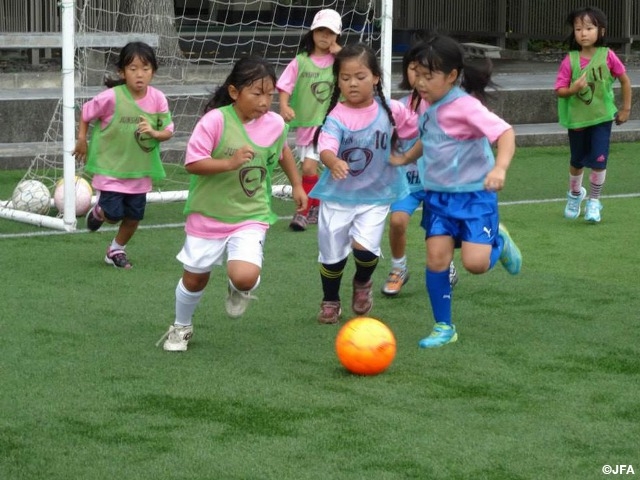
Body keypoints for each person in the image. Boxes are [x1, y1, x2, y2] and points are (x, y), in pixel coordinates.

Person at [157, 56, 307, 352]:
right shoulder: (215, 120)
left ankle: (239, 288)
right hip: (208, 215)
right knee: (195, 278)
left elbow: (283, 152)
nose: (265, 102)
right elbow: (192, 163)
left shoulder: (275, 123)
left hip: (250, 214)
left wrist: (297, 184)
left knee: (246, 276)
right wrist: (229, 162)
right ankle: (181, 325)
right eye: (257, 93)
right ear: (235, 92)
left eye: (270, 94)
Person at [390, 34, 522, 348]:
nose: (420, 82)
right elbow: (430, 137)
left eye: (428, 76)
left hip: (475, 197)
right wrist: (407, 157)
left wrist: (499, 169)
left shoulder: (465, 106)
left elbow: (505, 133)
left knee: (475, 264)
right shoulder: (425, 103)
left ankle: (498, 242)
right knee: (436, 259)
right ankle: (443, 327)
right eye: (416, 74)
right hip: (438, 197)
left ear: (451, 76)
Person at [310, 43, 419, 324]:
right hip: (338, 197)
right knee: (332, 256)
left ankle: (362, 282)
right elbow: (326, 146)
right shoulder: (336, 116)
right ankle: (330, 300)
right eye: (345, 78)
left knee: (365, 249)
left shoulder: (392, 110)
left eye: (360, 76)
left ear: (376, 78)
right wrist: (333, 161)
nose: (352, 83)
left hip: (375, 196)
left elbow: (418, 128)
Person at [73, 41, 174, 269]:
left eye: (146, 69)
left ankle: (116, 250)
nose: (140, 75)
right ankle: (100, 211)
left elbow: (168, 131)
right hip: (111, 169)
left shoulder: (158, 98)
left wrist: (154, 132)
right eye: (133, 69)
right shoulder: (111, 97)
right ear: (122, 72)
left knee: (134, 217)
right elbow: (86, 113)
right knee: (114, 213)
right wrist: (82, 139)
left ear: (153, 72)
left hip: (140, 171)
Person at [381, 41, 458, 297]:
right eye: (413, 69)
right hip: (408, 181)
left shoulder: (445, 105)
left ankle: (446, 264)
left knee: (439, 230)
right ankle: (398, 267)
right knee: (398, 220)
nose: (418, 77)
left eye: (425, 72)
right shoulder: (399, 106)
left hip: (438, 181)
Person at [555, 6, 631, 223]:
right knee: (577, 160)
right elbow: (560, 91)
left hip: (602, 118)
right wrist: (573, 89)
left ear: (602, 31)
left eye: (589, 28)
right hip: (577, 120)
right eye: (578, 28)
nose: (583, 33)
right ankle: (575, 194)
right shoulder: (569, 60)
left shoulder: (608, 56)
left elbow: (625, 81)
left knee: (599, 160)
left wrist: (625, 109)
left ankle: (594, 201)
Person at [277, 8, 342, 231]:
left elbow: (356, 67)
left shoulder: (339, 61)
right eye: (321, 30)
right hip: (306, 124)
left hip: (331, 124)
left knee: (312, 168)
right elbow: (285, 85)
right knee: (310, 170)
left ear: (337, 36)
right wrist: (284, 105)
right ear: (312, 32)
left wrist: (340, 54)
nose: (325, 36)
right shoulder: (301, 61)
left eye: (331, 32)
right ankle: (314, 206)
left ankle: (303, 212)